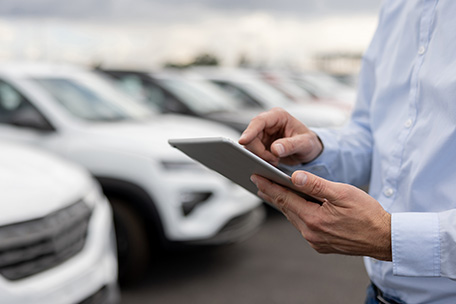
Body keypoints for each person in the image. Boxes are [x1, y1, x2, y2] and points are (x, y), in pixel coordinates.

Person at [238, 1, 456, 303]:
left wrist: (389, 236)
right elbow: (372, 133)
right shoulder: (397, 8)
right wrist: (315, 148)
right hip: (378, 294)